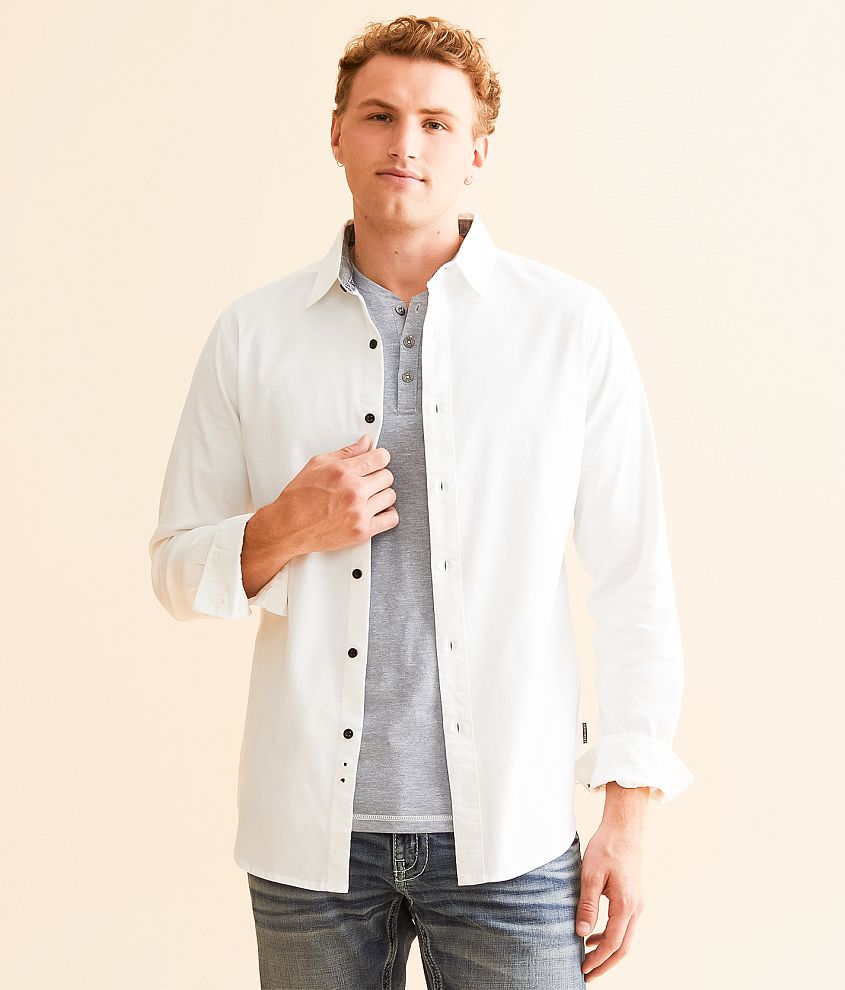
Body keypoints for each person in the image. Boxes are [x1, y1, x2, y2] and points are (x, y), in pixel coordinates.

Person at [149, 13, 693, 989]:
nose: (405, 142)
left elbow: (632, 580)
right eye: (379, 115)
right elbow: (175, 571)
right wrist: (283, 527)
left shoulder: (566, 327)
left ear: (477, 149)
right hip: (308, 844)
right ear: (335, 133)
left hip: (510, 840)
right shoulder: (252, 334)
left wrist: (627, 816)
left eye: (437, 123)